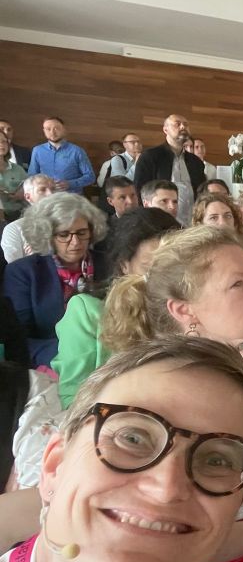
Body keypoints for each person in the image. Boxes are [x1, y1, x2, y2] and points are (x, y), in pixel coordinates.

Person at [0, 336, 243, 562]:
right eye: (132, 437)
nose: (166, 489)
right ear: (54, 465)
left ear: (238, 503)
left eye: (216, 460)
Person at [51, 207, 180, 408]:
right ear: (124, 266)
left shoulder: (189, 309)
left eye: (173, 267)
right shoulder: (88, 311)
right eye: (151, 268)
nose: (165, 278)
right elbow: (73, 399)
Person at [3, 193, 108, 367]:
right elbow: (19, 341)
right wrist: (74, 352)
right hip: (53, 363)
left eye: (82, 233)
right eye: (64, 234)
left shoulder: (108, 263)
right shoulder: (23, 272)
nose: (75, 242)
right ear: (47, 235)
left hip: (110, 358)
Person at [133, 114, 205, 226]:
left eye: (186, 125)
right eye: (177, 124)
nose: (183, 127)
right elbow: (139, 190)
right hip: (159, 223)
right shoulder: (150, 156)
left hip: (191, 223)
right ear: (165, 129)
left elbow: (202, 192)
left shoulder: (196, 162)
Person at [27, 116, 95, 194]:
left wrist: (70, 184)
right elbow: (32, 176)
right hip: (46, 198)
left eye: (56, 128)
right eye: (48, 129)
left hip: (71, 199)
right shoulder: (37, 150)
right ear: (44, 131)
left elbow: (90, 177)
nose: (52, 132)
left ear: (64, 129)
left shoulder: (77, 151)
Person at [1, 174, 54, 263]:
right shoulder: (14, 229)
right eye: (42, 190)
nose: (51, 194)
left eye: (53, 189)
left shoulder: (72, 223)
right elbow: (16, 269)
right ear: (28, 197)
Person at [0, 130, 28, 222]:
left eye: (4, 141)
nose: (2, 144)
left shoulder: (17, 169)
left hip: (18, 215)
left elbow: (29, 189)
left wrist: (22, 194)